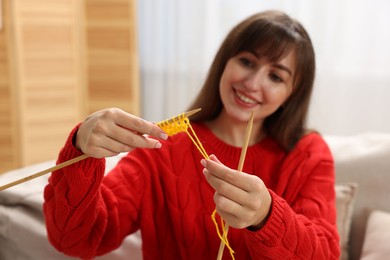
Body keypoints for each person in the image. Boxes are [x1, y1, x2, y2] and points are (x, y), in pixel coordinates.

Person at [43, 10, 340, 259]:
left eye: (275, 76)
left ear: (291, 94)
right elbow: (74, 240)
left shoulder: (309, 153)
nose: (252, 83)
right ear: (224, 62)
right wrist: (81, 149)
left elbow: (325, 253)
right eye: (247, 62)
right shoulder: (163, 149)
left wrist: (266, 216)